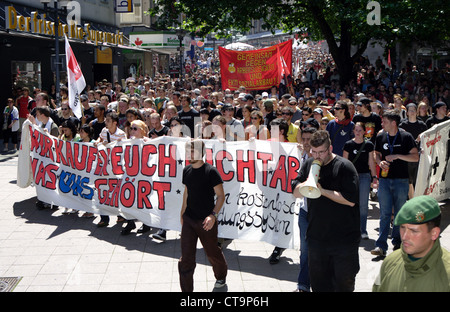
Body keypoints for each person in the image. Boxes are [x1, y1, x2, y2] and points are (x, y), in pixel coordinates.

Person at [292, 130, 360, 292]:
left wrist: (322, 191)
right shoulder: (309, 163)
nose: (317, 156)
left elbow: (350, 200)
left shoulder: (344, 166)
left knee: (343, 284)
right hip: (317, 239)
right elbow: (294, 192)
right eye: (313, 151)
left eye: (321, 152)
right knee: (319, 285)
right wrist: (306, 184)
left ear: (329, 149)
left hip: (343, 241)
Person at [178, 140, 228, 292]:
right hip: (189, 219)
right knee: (186, 259)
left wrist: (213, 216)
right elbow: (187, 192)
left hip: (206, 221)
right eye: (188, 150)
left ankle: (221, 276)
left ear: (202, 152)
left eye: (193, 151)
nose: (190, 154)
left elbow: (221, 196)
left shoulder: (211, 171)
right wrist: (182, 213)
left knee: (212, 252)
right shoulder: (186, 170)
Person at [373, 195, 450, 292]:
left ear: (434, 233)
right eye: (402, 228)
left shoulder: (447, 275)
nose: (404, 236)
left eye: (414, 231)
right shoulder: (390, 262)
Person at [371, 109, 419, 256]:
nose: (382, 124)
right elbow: (375, 154)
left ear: (393, 123)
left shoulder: (406, 137)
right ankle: (381, 246)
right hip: (384, 180)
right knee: (385, 213)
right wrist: (379, 162)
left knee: (399, 213)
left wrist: (398, 155)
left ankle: (397, 243)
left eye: (384, 121)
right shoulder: (381, 136)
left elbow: (415, 157)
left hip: (401, 180)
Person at [343, 122, 377, 239]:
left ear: (364, 132)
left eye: (360, 130)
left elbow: (371, 162)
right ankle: (350, 228)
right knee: (350, 203)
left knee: (363, 205)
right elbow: (345, 162)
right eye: (356, 130)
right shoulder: (348, 144)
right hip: (351, 176)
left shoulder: (369, 145)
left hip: (364, 176)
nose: (357, 133)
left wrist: (374, 177)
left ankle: (363, 230)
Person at [293, 126, 316, 292]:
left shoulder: (323, 159)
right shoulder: (297, 155)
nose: (306, 143)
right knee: (305, 251)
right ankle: (303, 285)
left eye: (310, 139)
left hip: (322, 214)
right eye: (304, 139)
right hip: (305, 211)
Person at [96, 111, 127, 228]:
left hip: (117, 167)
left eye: (108, 121)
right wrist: (98, 143)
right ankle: (104, 217)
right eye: (105, 120)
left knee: (117, 190)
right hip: (105, 166)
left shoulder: (121, 134)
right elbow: (100, 138)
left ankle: (121, 214)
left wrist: (109, 144)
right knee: (103, 190)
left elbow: (122, 148)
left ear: (115, 123)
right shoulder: (104, 131)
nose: (106, 122)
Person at [399, 103, 428, 198]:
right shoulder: (402, 124)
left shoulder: (422, 125)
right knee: (407, 179)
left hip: (419, 156)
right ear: (406, 112)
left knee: (417, 179)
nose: (412, 112)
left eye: (414, 110)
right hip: (406, 156)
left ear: (417, 111)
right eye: (410, 110)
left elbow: (427, 140)